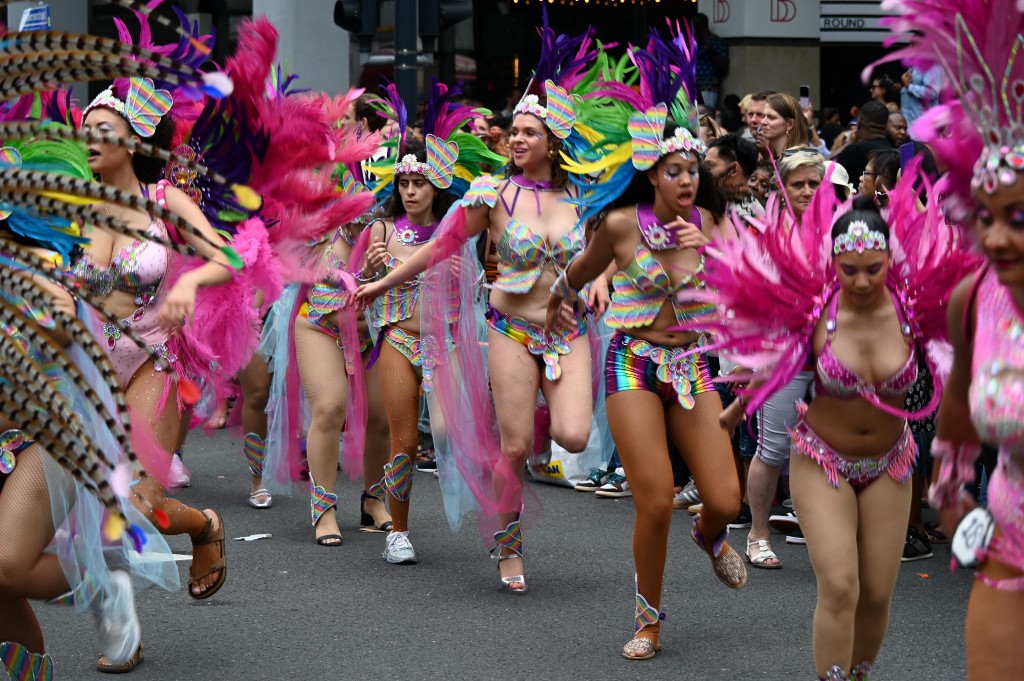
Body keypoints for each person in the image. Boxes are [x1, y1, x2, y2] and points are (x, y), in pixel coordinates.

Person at [358, 18, 609, 592]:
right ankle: (508, 541)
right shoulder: (492, 194)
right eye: (513, 131)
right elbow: (442, 243)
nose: (516, 140)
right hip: (510, 328)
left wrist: (606, 279)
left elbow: (615, 243)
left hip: (567, 332)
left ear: (553, 143)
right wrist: (382, 282)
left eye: (528, 132)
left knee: (572, 437)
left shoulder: (586, 194)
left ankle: (514, 469)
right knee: (516, 444)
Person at [703, 155, 972, 677]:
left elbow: (962, 361)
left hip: (891, 465)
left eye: (874, 269)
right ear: (833, 263)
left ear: (891, 260)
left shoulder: (916, 313)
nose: (863, 281)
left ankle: (856, 675)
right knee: (841, 587)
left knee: (875, 592)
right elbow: (777, 365)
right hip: (821, 459)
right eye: (849, 271)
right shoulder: (818, 313)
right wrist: (738, 408)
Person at [551, 25, 746, 661]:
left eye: (693, 168)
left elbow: (736, 298)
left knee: (724, 499)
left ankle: (710, 536)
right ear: (651, 175)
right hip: (633, 362)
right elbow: (578, 274)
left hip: (691, 365)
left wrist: (709, 256)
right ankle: (648, 621)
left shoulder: (713, 223)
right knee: (656, 499)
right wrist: (559, 300)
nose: (688, 179)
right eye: (675, 170)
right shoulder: (618, 224)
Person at [884, 1, 1024, 677]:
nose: (996, 237)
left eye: (1019, 216)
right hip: (1012, 542)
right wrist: (951, 483)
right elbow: (963, 415)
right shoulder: (978, 299)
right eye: (989, 215)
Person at [359, 82, 504, 563]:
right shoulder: (380, 228)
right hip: (399, 338)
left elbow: (478, 295)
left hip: (447, 343)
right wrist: (372, 270)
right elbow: (359, 289)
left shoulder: (457, 230)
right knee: (404, 437)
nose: (411, 191)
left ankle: (497, 524)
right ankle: (397, 532)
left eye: (419, 183)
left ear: (436, 184)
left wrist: (466, 274)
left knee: (451, 433)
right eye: (404, 183)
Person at [704, 132, 764, 227]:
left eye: (709, 167)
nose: (703, 172)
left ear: (733, 170)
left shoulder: (746, 216)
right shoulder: (721, 204)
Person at [833, 101, 893, 189]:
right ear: (886, 125)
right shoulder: (892, 152)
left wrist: (847, 144)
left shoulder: (853, 151)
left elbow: (825, 169)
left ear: (859, 122)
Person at [695, 13, 728, 109]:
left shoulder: (716, 42)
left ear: (702, 25)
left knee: (705, 113)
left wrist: (711, 52)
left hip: (708, 85)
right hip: (693, 85)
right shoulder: (692, 42)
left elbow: (724, 66)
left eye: (694, 26)